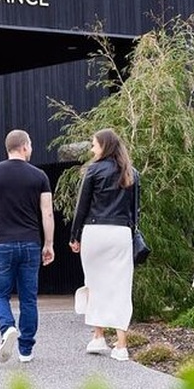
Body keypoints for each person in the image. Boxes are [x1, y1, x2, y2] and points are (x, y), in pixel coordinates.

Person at [0, 129, 55, 363]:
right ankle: (26, 350)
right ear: (24, 146)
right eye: (30, 145)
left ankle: (7, 328)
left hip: (2, 244)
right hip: (31, 244)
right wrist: (49, 244)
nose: (31, 149)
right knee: (28, 298)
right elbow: (47, 212)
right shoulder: (39, 176)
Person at [69, 128, 139, 362]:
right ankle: (121, 345)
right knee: (120, 287)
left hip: (95, 232)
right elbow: (134, 211)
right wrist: (132, 235)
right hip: (120, 233)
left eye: (94, 145)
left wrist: (74, 235)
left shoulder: (94, 170)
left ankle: (98, 337)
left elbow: (82, 206)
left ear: (104, 146)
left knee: (94, 283)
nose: (91, 149)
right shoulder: (132, 173)